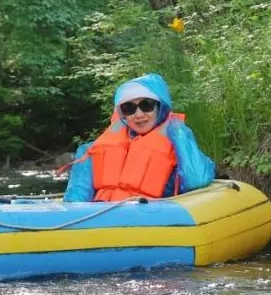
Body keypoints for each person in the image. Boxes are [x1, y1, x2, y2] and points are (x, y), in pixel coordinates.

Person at [63, 73, 215, 203]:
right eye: (129, 108)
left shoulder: (177, 140)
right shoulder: (93, 149)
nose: (139, 114)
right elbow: (75, 201)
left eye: (146, 105)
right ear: (122, 114)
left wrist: (180, 135)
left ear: (160, 107)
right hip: (104, 218)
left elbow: (197, 180)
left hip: (154, 217)